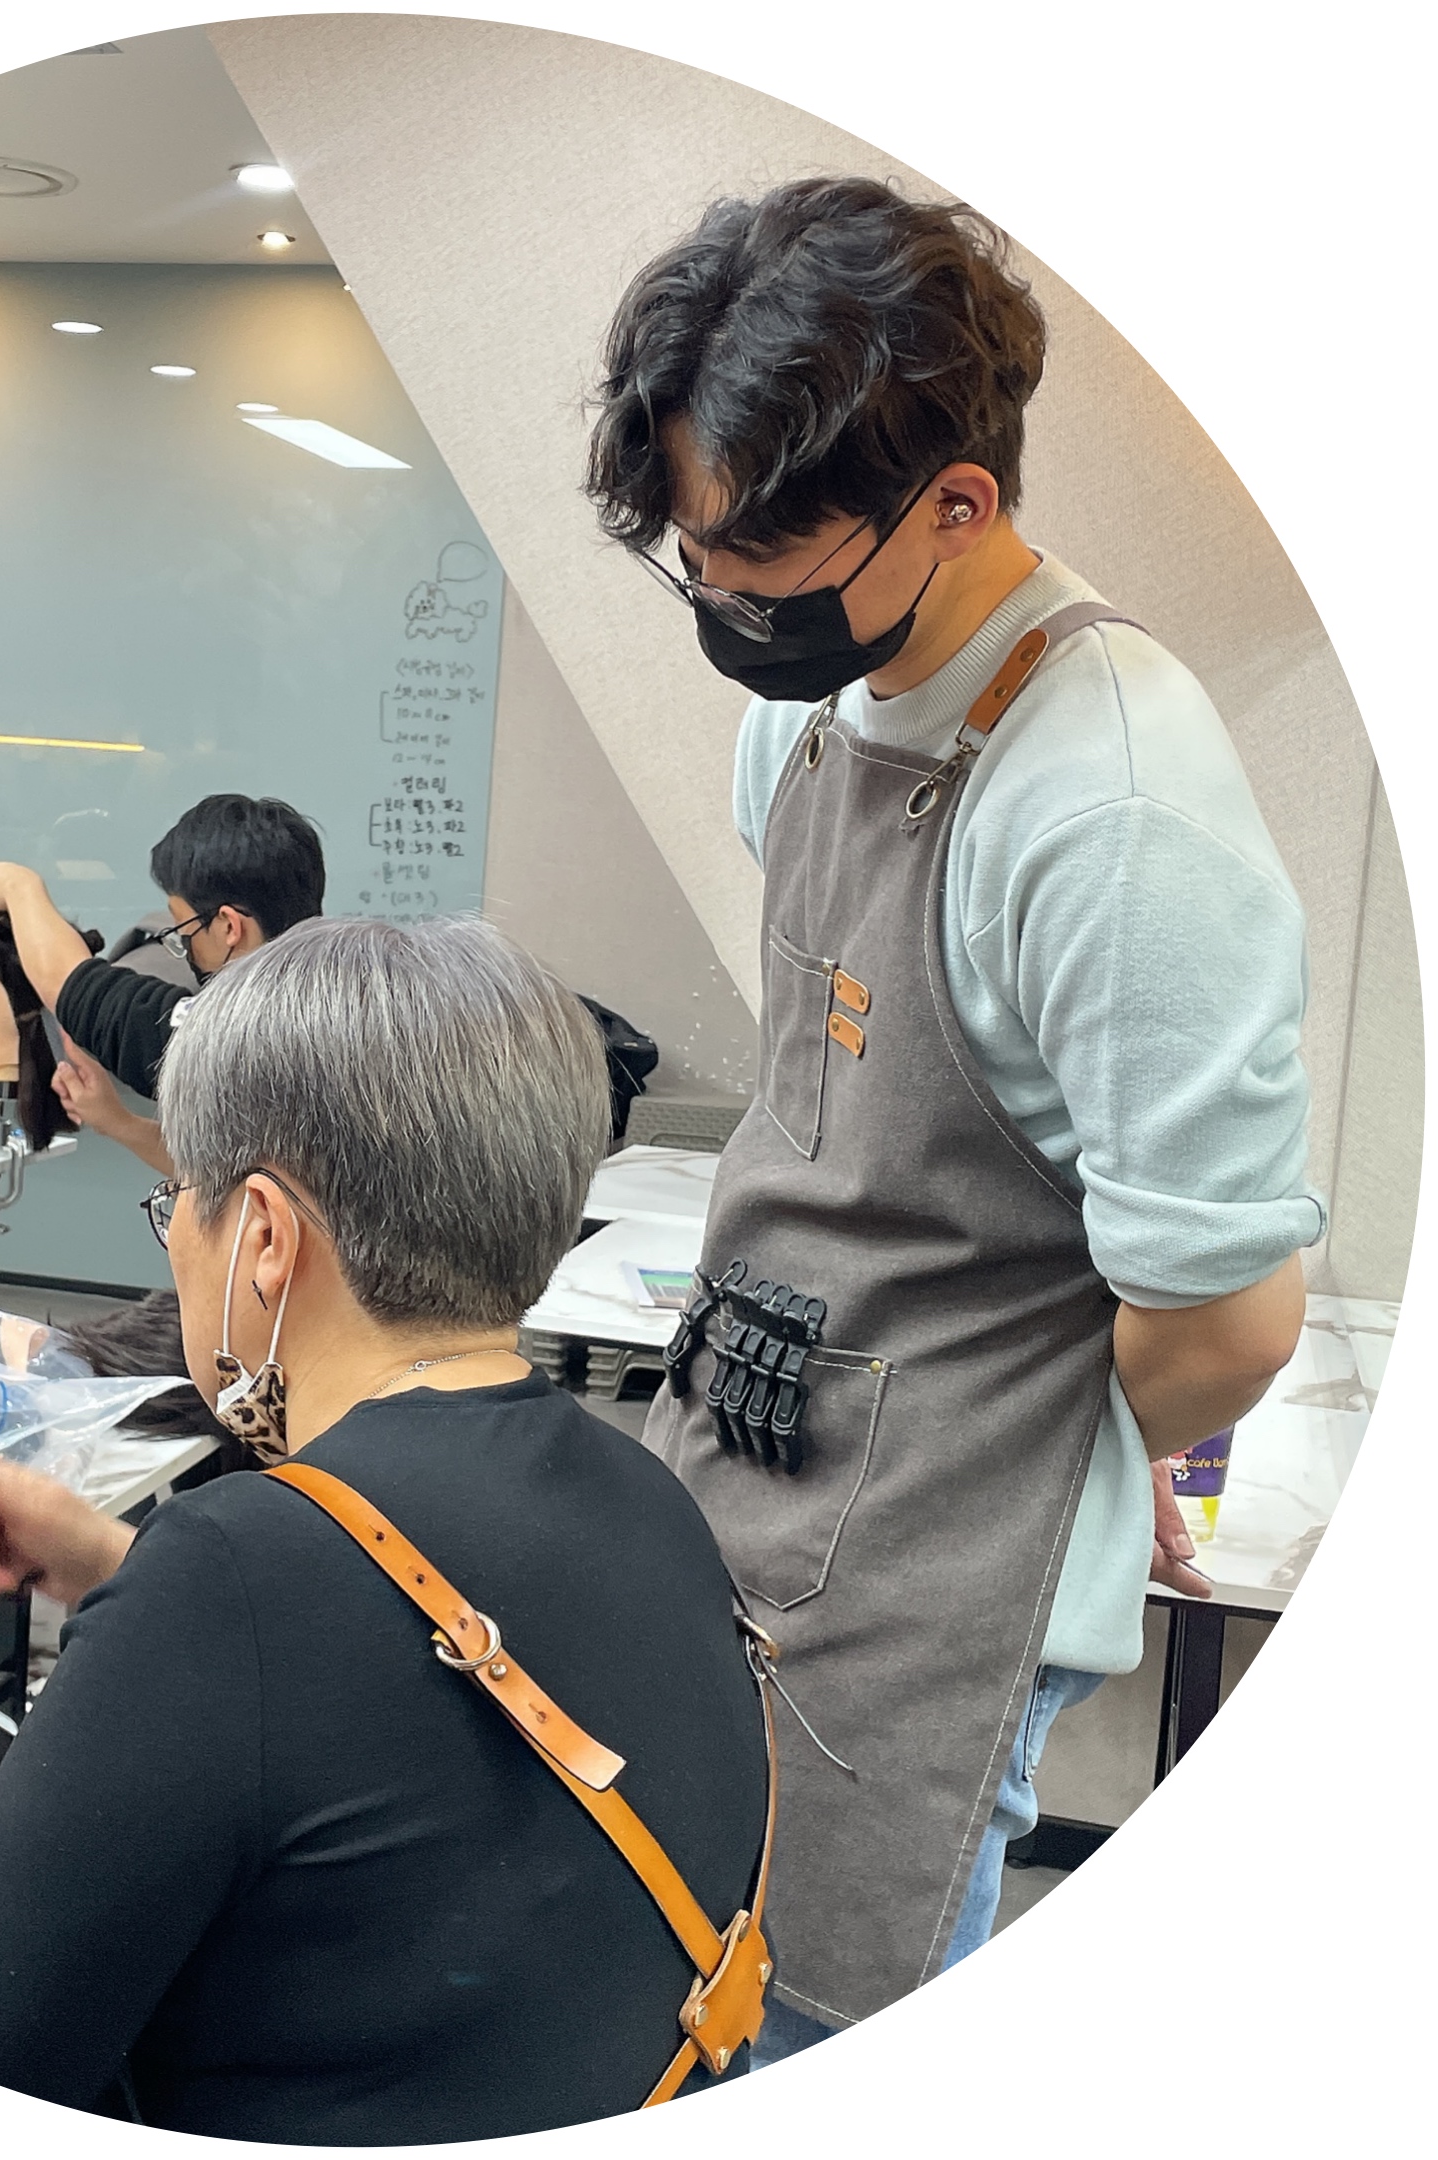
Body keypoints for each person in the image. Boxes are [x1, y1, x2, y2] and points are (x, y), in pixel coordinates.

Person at [583, 176, 1320, 2054]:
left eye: (762, 564)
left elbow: (1228, 1321)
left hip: (921, 1592)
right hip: (736, 1455)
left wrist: (1042, 1456)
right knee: (652, 1985)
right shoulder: (810, 713)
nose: (725, 606)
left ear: (959, 505)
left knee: (813, 2035)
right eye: (698, 562)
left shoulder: (1113, 814)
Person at [0, 917, 773, 2140]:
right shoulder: (652, 1497)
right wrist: (114, 1567)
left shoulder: (236, 1580)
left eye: (176, 1205)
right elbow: (385, 1715)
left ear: (263, 1236)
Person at [0, 793, 326, 1174]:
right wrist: (119, 1123)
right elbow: (238, 1173)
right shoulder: (337, 1006)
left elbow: (73, 986)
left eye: (185, 929)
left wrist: (20, 887)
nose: (184, 946)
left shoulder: (244, 1034)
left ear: (228, 926)